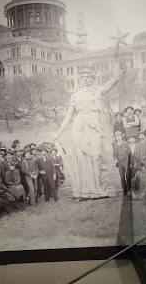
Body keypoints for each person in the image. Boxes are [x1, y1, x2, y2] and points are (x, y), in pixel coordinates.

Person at [53, 58, 122, 201]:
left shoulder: (98, 92)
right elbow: (68, 115)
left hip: (95, 128)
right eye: (82, 77)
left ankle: (97, 188)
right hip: (79, 127)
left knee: (96, 157)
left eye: (88, 77)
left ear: (92, 78)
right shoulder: (75, 95)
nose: (85, 79)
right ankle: (84, 189)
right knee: (81, 159)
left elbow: (116, 78)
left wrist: (115, 58)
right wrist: (59, 132)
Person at [113, 131, 132, 196]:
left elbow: (130, 153)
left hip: (126, 161)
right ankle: (125, 190)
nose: (117, 138)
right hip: (120, 162)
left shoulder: (126, 143)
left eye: (119, 136)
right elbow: (114, 154)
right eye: (116, 137)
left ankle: (129, 190)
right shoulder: (115, 145)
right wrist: (115, 158)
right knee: (122, 177)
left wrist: (130, 162)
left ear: (121, 137)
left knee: (128, 176)